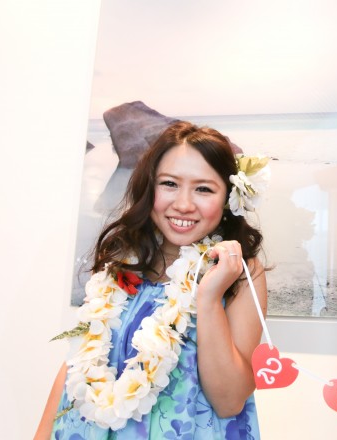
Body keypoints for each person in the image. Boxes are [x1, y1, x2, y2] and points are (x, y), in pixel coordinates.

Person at [35, 121, 269, 439]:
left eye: (203, 189)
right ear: (150, 187)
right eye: (169, 184)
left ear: (228, 197)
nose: (183, 204)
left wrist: (209, 297)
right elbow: (77, 362)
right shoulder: (120, 261)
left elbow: (229, 401)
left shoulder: (240, 273)